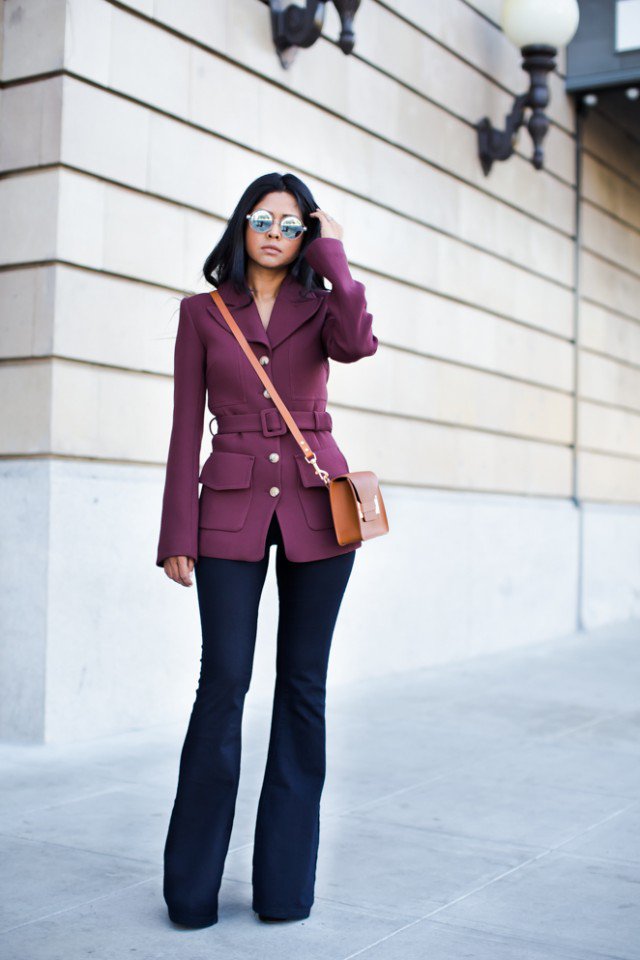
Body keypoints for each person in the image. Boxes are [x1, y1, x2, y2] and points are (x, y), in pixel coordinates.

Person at [156, 171, 378, 927]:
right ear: (242, 224)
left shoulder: (324, 305)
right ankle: (191, 890)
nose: (275, 233)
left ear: (306, 234)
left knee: (303, 690)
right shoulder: (201, 314)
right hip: (226, 512)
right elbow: (187, 425)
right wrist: (175, 532)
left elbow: (358, 344)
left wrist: (339, 255)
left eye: (292, 224)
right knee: (223, 682)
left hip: (320, 515)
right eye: (264, 219)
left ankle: (285, 887)